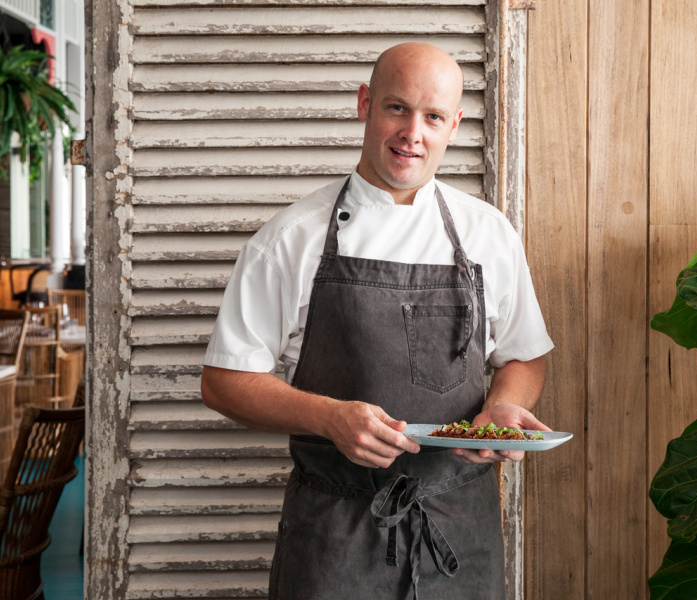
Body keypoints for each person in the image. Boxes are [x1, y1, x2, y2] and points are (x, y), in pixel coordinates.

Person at [201, 42, 554, 600]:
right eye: (397, 108)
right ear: (365, 103)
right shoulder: (291, 238)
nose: (412, 133)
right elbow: (224, 381)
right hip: (334, 536)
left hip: (460, 530)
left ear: (454, 125)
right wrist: (328, 417)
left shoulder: (490, 234)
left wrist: (503, 408)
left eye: (433, 117)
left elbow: (523, 356)